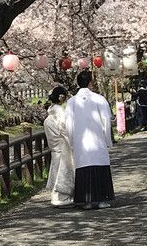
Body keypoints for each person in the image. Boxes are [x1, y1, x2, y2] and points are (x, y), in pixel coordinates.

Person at [65, 70, 115, 209]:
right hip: (97, 140)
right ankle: (101, 199)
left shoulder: (71, 102)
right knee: (99, 167)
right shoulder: (99, 99)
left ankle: (86, 201)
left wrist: (72, 141)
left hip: (80, 142)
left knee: (84, 169)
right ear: (91, 82)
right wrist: (107, 139)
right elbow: (106, 120)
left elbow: (68, 124)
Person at [43, 85, 75, 207]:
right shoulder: (60, 112)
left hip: (54, 146)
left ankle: (56, 196)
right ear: (62, 97)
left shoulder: (50, 113)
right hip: (62, 145)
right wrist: (72, 141)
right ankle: (63, 197)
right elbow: (64, 128)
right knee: (64, 169)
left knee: (56, 168)